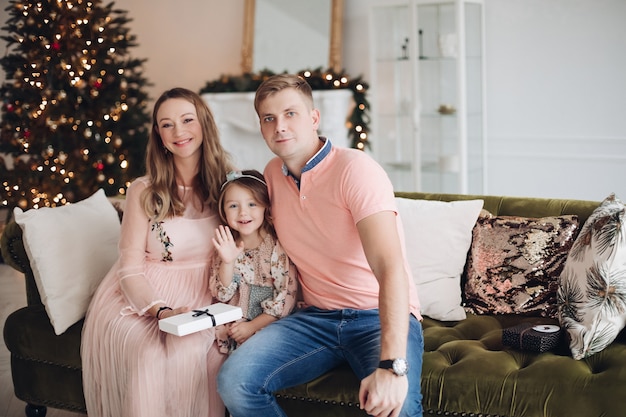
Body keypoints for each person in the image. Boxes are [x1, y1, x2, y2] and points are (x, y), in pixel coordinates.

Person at [217, 74, 424, 417]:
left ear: (314, 118)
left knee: (397, 407)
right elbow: (243, 219)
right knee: (234, 382)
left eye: (290, 114)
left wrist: (391, 365)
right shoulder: (270, 175)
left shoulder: (355, 170)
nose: (280, 126)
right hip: (313, 319)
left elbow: (390, 268)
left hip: (374, 316)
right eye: (269, 118)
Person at [81, 87, 234, 417]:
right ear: (158, 135)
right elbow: (130, 268)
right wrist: (161, 312)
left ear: (204, 123)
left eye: (187, 120)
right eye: (167, 124)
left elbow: (245, 255)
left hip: (206, 294)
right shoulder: (143, 190)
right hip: (145, 297)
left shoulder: (228, 184)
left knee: (197, 352)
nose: (179, 132)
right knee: (149, 356)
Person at [210, 169, 298, 353]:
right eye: (233, 206)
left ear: (265, 206)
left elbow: (284, 299)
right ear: (223, 211)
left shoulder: (276, 248)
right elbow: (222, 294)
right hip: (232, 329)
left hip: (267, 327)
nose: (243, 212)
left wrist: (251, 327)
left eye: (252, 204)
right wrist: (228, 261)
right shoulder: (226, 246)